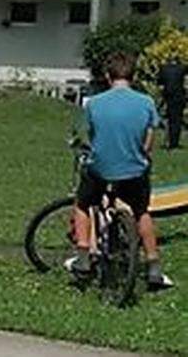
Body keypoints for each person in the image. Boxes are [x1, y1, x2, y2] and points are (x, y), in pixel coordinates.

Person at [69, 52, 174, 289]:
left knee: (83, 205)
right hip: (134, 171)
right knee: (141, 211)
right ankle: (154, 265)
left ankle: (84, 257)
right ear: (133, 76)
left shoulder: (94, 103)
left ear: (108, 76)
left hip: (101, 169)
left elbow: (91, 137)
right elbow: (148, 141)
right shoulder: (146, 102)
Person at [158, 58, 186, 150]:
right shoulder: (182, 68)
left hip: (168, 96)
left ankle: (169, 141)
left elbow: (160, 83)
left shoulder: (163, 68)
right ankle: (174, 142)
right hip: (178, 97)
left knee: (169, 120)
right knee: (177, 120)